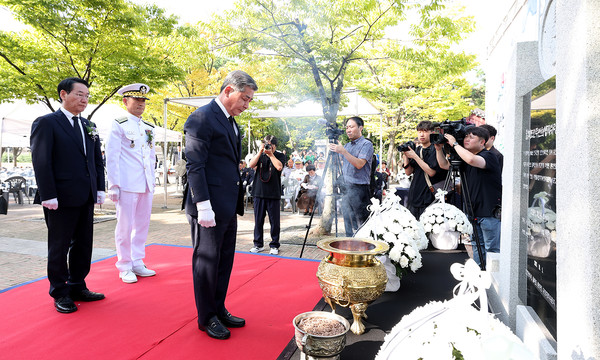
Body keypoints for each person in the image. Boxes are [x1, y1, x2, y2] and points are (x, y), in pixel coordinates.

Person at [183, 70, 257, 340]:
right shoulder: (202, 117)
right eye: (244, 98)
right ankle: (207, 317)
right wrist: (203, 204)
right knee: (207, 261)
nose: (246, 105)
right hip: (208, 206)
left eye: (249, 100)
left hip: (226, 204)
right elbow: (195, 164)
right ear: (228, 91)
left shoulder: (230, 121)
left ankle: (219, 307)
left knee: (224, 260)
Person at [30, 77, 106, 313]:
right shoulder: (47, 123)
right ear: (63, 94)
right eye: (79, 94)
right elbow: (41, 161)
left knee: (84, 243)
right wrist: (48, 193)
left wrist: (100, 188)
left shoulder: (88, 125)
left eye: (87, 96)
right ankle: (59, 291)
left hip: (85, 194)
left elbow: (96, 160)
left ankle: (77, 285)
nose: (84, 100)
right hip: (59, 197)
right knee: (59, 245)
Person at [106, 83, 157, 284]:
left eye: (143, 100)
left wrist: (151, 182)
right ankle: (124, 265)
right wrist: (113, 184)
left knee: (142, 225)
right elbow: (112, 156)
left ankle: (137, 261)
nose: (141, 104)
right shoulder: (119, 124)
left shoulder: (148, 127)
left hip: (145, 183)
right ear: (125, 101)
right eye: (137, 100)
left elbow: (151, 157)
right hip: (126, 183)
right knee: (125, 226)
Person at [435, 126, 502, 267]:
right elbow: (443, 165)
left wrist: (454, 143)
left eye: (471, 137)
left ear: (482, 142)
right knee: (476, 245)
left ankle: (495, 280)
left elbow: (472, 160)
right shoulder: (465, 157)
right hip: (472, 210)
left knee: (492, 249)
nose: (467, 139)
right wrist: (438, 149)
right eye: (466, 136)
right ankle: (479, 274)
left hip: (488, 211)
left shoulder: (489, 156)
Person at [328, 116, 374, 237]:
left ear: (360, 128)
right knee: (347, 221)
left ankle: (363, 250)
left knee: (362, 224)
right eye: (347, 127)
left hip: (360, 189)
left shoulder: (366, 144)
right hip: (346, 188)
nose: (348, 130)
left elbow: (359, 164)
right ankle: (349, 246)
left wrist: (343, 151)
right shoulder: (347, 146)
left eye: (351, 127)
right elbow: (344, 164)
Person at [248, 135, 286, 254]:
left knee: (274, 221)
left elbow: (279, 167)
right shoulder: (260, 155)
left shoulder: (280, 156)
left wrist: (271, 155)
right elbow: (251, 165)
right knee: (258, 220)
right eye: (266, 144)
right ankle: (258, 244)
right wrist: (260, 152)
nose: (269, 147)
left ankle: (274, 245)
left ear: (275, 145)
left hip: (273, 193)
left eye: (271, 145)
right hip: (259, 192)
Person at [402, 120, 447, 219]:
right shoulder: (418, 150)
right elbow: (408, 172)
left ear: (432, 132)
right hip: (415, 194)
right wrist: (405, 156)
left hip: (429, 195)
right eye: (419, 132)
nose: (422, 135)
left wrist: (415, 157)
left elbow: (431, 172)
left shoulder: (436, 149)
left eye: (425, 131)